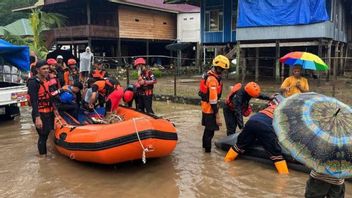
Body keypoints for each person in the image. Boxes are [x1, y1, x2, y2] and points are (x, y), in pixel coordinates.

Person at [224, 94, 289, 174]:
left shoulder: (269, 107)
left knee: (239, 145)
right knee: (276, 154)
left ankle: (226, 162)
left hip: (252, 121)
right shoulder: (286, 113)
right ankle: (284, 176)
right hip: (265, 126)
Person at [199, 55, 229, 153]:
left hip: (205, 107)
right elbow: (213, 100)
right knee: (210, 132)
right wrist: (217, 116)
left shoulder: (209, 74)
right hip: (209, 109)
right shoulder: (212, 80)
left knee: (207, 130)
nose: (223, 72)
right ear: (218, 68)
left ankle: (204, 148)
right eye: (223, 69)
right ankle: (207, 154)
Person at [27, 60, 54, 155]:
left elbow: (51, 97)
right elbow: (34, 101)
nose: (46, 70)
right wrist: (37, 118)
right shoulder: (33, 82)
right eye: (44, 69)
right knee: (43, 136)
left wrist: (56, 111)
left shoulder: (47, 80)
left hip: (49, 112)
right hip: (40, 113)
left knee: (49, 133)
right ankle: (43, 158)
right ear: (38, 70)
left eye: (47, 68)